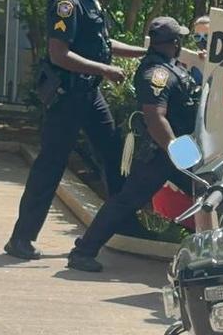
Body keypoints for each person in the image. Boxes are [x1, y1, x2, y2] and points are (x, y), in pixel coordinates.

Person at [5, 0, 146, 260]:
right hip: (68, 96)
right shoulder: (66, 3)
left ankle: (123, 225)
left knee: (113, 154)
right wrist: (105, 71)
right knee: (50, 166)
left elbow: (106, 45)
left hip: (89, 95)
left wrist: (144, 52)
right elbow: (59, 54)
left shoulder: (90, 2)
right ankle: (21, 239)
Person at [65, 18, 199, 273]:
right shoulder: (158, 74)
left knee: (205, 195)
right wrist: (179, 153)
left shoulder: (168, 67)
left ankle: (84, 250)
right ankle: (83, 251)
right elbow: (155, 117)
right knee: (127, 201)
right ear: (175, 43)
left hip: (177, 149)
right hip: (164, 152)